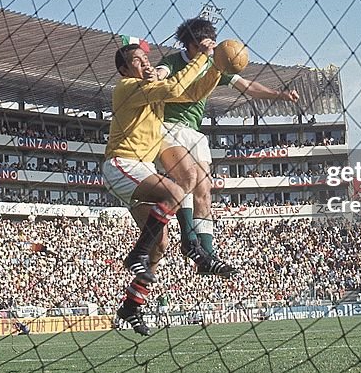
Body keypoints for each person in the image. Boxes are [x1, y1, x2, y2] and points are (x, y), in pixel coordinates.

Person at [102, 40, 228, 336]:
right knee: (173, 192)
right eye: (137, 61)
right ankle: (137, 256)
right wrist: (201, 58)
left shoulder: (152, 97)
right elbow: (173, 88)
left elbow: (191, 93)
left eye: (146, 59)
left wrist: (216, 69)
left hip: (140, 170)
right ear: (124, 70)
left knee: (160, 246)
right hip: (122, 164)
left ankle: (131, 306)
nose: (145, 63)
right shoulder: (127, 88)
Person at [155, 18, 299, 271]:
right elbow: (161, 75)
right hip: (167, 126)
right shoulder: (173, 61)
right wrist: (155, 74)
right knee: (187, 177)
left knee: (204, 190)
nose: (209, 48)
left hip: (193, 132)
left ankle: (207, 255)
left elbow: (247, 86)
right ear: (190, 44)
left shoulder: (215, 65)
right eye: (203, 44)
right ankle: (188, 240)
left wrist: (279, 94)